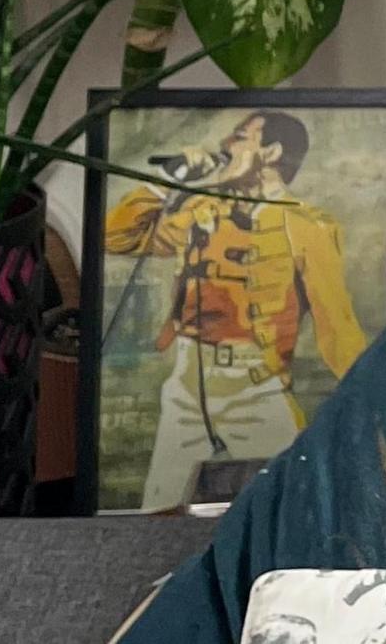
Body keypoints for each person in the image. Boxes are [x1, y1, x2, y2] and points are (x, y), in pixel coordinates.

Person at [102, 109, 369, 511]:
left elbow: (338, 327)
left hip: (256, 389)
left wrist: (370, 401)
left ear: (271, 152)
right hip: (186, 386)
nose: (225, 145)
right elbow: (115, 236)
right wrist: (170, 185)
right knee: (160, 510)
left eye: (240, 137)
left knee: (289, 509)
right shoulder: (200, 211)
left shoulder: (307, 226)